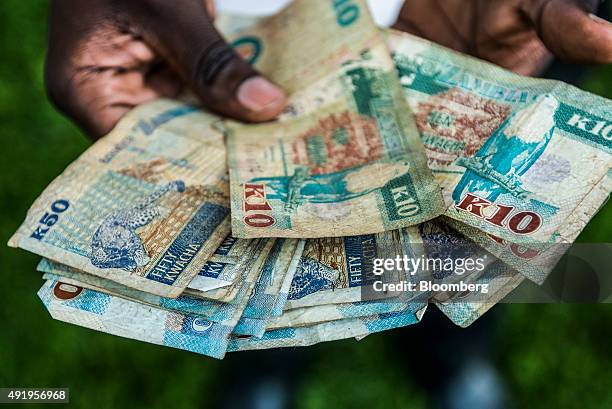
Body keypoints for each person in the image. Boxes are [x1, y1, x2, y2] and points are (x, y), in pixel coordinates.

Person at [44, 1, 611, 408]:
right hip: (238, 29)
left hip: (481, 27)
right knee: (260, 260)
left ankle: (451, 358)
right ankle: (266, 367)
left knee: (463, 240)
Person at [46, 0, 611, 138]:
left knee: (467, 229)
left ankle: (454, 346)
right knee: (272, 248)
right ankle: (270, 356)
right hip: (225, 21)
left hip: (473, 22)